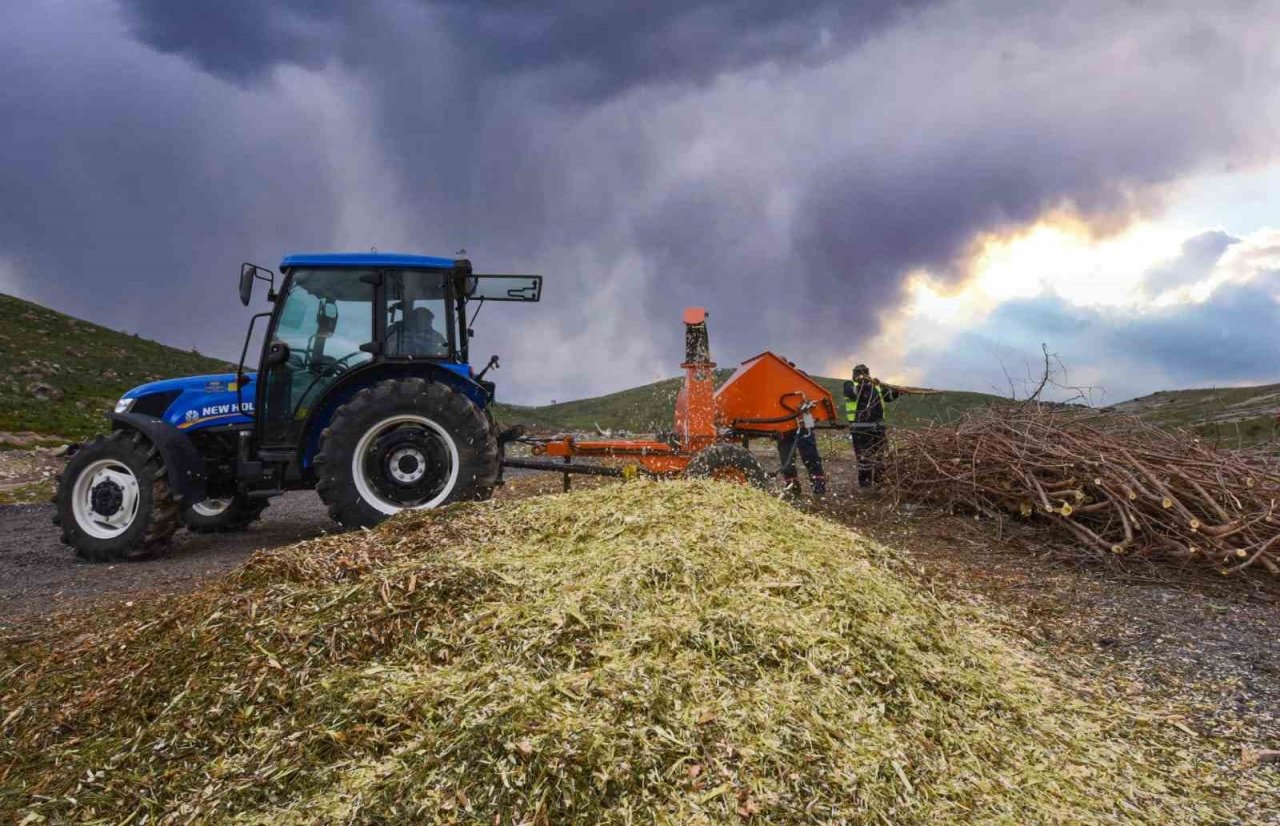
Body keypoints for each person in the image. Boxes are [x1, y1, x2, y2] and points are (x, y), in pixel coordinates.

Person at [843, 363, 899, 488]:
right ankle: (865, 485)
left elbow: (888, 397)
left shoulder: (876, 387)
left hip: (878, 428)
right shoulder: (849, 385)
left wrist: (896, 391)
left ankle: (880, 483)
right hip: (860, 428)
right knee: (864, 458)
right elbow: (852, 393)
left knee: (880, 457)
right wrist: (865, 384)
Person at [776, 422, 827, 496]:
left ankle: (818, 486)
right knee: (786, 456)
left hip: (802, 421)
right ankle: (792, 486)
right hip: (783, 425)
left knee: (810, 455)